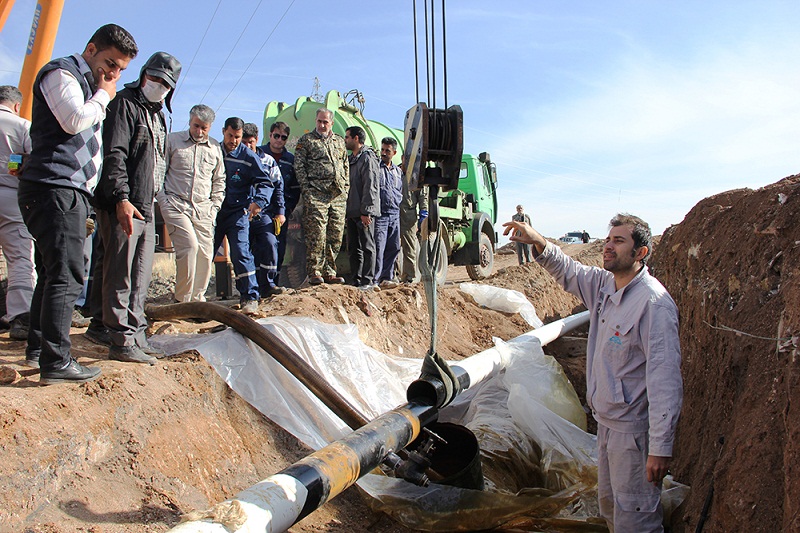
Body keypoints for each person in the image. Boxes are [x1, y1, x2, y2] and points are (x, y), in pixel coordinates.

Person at [503, 213, 683, 532]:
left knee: (637, 518)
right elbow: (569, 270)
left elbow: (665, 381)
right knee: (612, 509)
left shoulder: (653, 304)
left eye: (619, 241)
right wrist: (538, 241)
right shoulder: (604, 286)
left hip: (634, 434)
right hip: (607, 426)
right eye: (609, 239)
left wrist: (660, 448)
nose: (608, 247)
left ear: (640, 253)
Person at [17, 24, 138, 382]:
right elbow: (73, 121)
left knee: (54, 272)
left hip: (67, 191)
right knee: (68, 274)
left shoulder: (88, 84)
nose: (113, 75)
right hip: (55, 188)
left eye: (120, 70)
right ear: (90, 49)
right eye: (110, 63)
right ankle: (56, 362)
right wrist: (103, 95)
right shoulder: (61, 74)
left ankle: (39, 349)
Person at [89, 51, 181, 365]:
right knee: (120, 274)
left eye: (165, 83)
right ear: (143, 74)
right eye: (153, 78)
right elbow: (114, 154)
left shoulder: (159, 114)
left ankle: (137, 335)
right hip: (124, 202)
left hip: (147, 201)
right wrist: (120, 198)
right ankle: (119, 339)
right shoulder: (124, 104)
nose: (157, 85)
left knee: (140, 276)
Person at [156, 104, 225, 303]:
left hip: (204, 209)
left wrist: (214, 207)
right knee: (189, 247)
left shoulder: (215, 148)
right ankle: (182, 301)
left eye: (204, 128)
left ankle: (197, 300)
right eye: (196, 126)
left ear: (210, 127)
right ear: (189, 121)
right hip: (176, 204)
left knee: (205, 253)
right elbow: (159, 172)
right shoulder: (172, 141)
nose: (199, 131)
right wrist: (163, 200)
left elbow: (219, 180)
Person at [213, 117, 276, 313]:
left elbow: (265, 183)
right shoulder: (212, 151)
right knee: (204, 252)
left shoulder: (248, 157)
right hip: (213, 211)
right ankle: (192, 298)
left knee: (241, 252)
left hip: (237, 213)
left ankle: (249, 296)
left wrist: (258, 202)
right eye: (230, 136)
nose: (233, 141)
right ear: (223, 131)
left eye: (237, 137)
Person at [294, 108, 348, 285]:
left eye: (325, 122)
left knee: (335, 234)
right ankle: (315, 271)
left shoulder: (339, 141)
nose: (322, 125)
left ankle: (330, 271)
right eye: (319, 121)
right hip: (316, 193)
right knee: (317, 233)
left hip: (337, 195)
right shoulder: (307, 141)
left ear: (331, 123)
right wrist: (307, 191)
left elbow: (345, 165)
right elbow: (299, 166)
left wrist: (345, 189)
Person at [0, 86, 35, 341]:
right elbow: (27, 161)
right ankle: (21, 318)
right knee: (20, 257)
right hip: (10, 195)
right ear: (16, 106)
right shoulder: (21, 125)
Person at [242, 122, 284, 297]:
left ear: (256, 140)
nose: (246, 146)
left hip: (263, 214)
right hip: (240, 214)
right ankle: (247, 289)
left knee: (270, 243)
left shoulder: (268, 161)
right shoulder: (235, 158)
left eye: (250, 142)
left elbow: (278, 186)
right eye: (243, 142)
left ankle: (268, 284)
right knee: (244, 251)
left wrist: (280, 211)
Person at [343, 126, 380, 290]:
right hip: (352, 211)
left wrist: (366, 211)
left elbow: (370, 186)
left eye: (347, 137)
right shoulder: (352, 159)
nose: (345, 140)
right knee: (354, 248)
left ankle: (368, 280)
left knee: (367, 246)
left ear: (356, 138)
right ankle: (356, 280)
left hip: (363, 212)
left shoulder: (367, 158)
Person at [263, 121, 298, 284]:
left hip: (280, 213)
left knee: (279, 247)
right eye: (276, 136)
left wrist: (287, 208)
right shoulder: (259, 155)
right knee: (261, 247)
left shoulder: (290, 160)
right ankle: (259, 284)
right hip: (260, 210)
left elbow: (295, 188)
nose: (279, 140)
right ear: (270, 135)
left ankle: (273, 283)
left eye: (283, 137)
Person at [374, 137, 403, 288]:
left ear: (394, 152)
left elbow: (400, 191)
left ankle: (387, 277)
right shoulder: (376, 168)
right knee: (379, 247)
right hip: (381, 214)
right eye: (382, 150)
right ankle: (375, 280)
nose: (384, 153)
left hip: (395, 214)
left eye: (388, 151)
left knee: (394, 247)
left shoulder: (398, 172)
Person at [399, 160, 429, 284]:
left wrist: (424, 213)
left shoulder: (416, 177)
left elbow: (423, 197)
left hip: (409, 215)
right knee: (393, 247)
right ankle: (394, 275)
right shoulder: (396, 172)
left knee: (409, 248)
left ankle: (409, 277)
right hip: (394, 212)